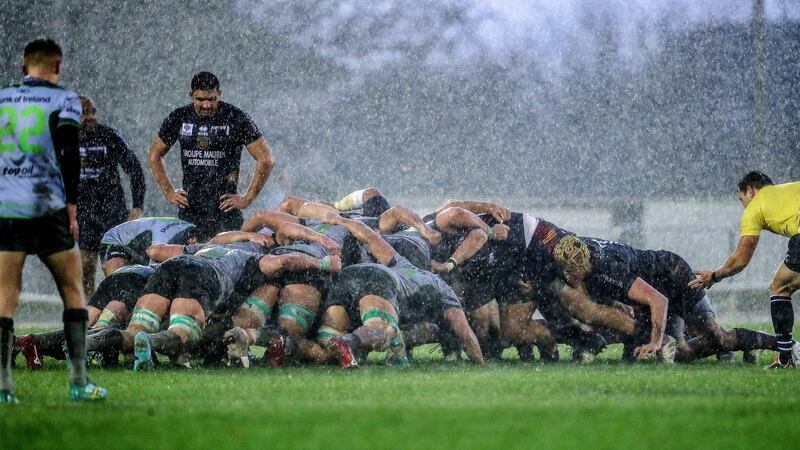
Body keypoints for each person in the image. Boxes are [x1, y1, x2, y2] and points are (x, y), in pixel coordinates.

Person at [0, 38, 106, 403]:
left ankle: (3, 388)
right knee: (73, 290)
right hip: (47, 208)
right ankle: (78, 383)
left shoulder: (3, 99)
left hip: (8, 208)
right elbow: (69, 154)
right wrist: (71, 207)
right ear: (57, 66)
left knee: (5, 296)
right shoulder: (64, 99)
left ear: (23, 66)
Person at [690, 171, 800, 368]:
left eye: (742, 199)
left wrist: (714, 276)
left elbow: (741, 259)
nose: (744, 205)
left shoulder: (755, 205)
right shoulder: (790, 189)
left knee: (779, 287)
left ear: (750, 190)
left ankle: (786, 358)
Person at [149, 71, 274, 240]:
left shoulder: (236, 117)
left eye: (212, 99)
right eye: (201, 100)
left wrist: (247, 199)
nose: (207, 105)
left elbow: (266, 159)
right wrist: (169, 192)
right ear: (191, 95)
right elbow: (155, 155)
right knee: (190, 263)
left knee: (225, 262)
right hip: (191, 211)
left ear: (219, 94)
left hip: (225, 211)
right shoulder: (179, 117)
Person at [77, 95, 146, 298]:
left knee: (114, 267)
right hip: (84, 213)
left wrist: (137, 207)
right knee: (85, 266)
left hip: (111, 211)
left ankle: (115, 309)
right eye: (85, 113)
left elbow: (135, 170)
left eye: (93, 112)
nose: (91, 117)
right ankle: (89, 314)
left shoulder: (109, 136)